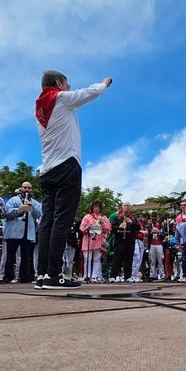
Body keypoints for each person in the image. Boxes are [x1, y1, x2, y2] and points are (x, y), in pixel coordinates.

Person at [34, 70, 112, 290]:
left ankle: (42, 274)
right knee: (62, 221)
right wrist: (104, 84)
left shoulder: (40, 108)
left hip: (47, 170)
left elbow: (73, 105)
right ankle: (54, 274)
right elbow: (87, 93)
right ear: (59, 83)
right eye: (67, 83)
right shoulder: (60, 98)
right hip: (66, 165)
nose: (69, 86)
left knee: (48, 221)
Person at [2, 182, 42, 283]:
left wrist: (31, 207)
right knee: (11, 255)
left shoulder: (35, 202)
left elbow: (38, 215)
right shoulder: (13, 200)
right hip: (14, 231)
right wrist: (20, 209)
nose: (27, 189)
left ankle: (24, 277)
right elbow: (7, 213)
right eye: (25, 187)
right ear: (21, 188)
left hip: (28, 232)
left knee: (26, 256)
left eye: (29, 188)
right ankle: (8, 276)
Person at [79, 200, 112, 282]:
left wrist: (101, 222)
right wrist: (88, 227)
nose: (96, 209)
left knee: (97, 259)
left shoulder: (103, 217)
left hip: (98, 240)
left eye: (98, 207)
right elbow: (82, 227)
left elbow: (108, 228)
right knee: (87, 258)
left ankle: (94, 276)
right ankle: (87, 275)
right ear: (92, 208)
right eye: (94, 207)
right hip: (88, 240)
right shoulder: (87, 216)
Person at [110, 202, 137, 282]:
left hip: (130, 241)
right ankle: (113, 276)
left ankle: (128, 276)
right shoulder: (117, 218)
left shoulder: (133, 218)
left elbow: (138, 228)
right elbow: (112, 228)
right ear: (122, 208)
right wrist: (119, 226)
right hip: (120, 241)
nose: (126, 207)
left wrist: (131, 223)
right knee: (117, 259)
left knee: (129, 259)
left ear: (130, 208)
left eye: (128, 206)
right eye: (124, 206)